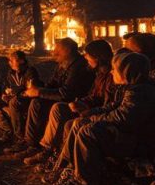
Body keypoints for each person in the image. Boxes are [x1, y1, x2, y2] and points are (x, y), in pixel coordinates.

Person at [49, 51, 155, 185]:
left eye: (115, 69)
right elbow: (113, 107)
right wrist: (90, 113)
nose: (111, 72)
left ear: (126, 72)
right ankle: (68, 167)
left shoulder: (142, 92)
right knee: (79, 123)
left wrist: (93, 118)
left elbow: (123, 118)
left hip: (151, 144)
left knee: (89, 132)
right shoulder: (131, 88)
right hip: (136, 137)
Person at [24, 39, 117, 168]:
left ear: (97, 57)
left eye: (87, 54)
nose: (85, 57)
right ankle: (44, 149)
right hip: (87, 107)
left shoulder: (107, 74)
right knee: (45, 105)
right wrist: (82, 102)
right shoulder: (99, 74)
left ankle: (52, 154)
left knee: (60, 111)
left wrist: (88, 109)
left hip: (97, 112)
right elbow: (93, 95)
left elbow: (67, 93)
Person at [6, 38, 93, 159]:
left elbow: (66, 93)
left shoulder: (77, 67)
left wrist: (40, 92)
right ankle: (27, 141)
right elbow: (52, 83)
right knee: (32, 101)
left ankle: (34, 145)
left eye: (57, 50)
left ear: (66, 51)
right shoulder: (63, 65)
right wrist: (36, 91)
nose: (53, 52)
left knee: (38, 103)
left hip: (73, 101)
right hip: (61, 97)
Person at [0, 50, 41, 142]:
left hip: (26, 100)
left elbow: (29, 89)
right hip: (15, 97)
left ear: (21, 61)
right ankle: (8, 129)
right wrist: (5, 94)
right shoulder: (11, 73)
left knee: (14, 102)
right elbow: (8, 87)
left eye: (12, 60)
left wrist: (14, 93)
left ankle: (19, 136)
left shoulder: (30, 72)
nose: (10, 63)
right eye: (9, 61)